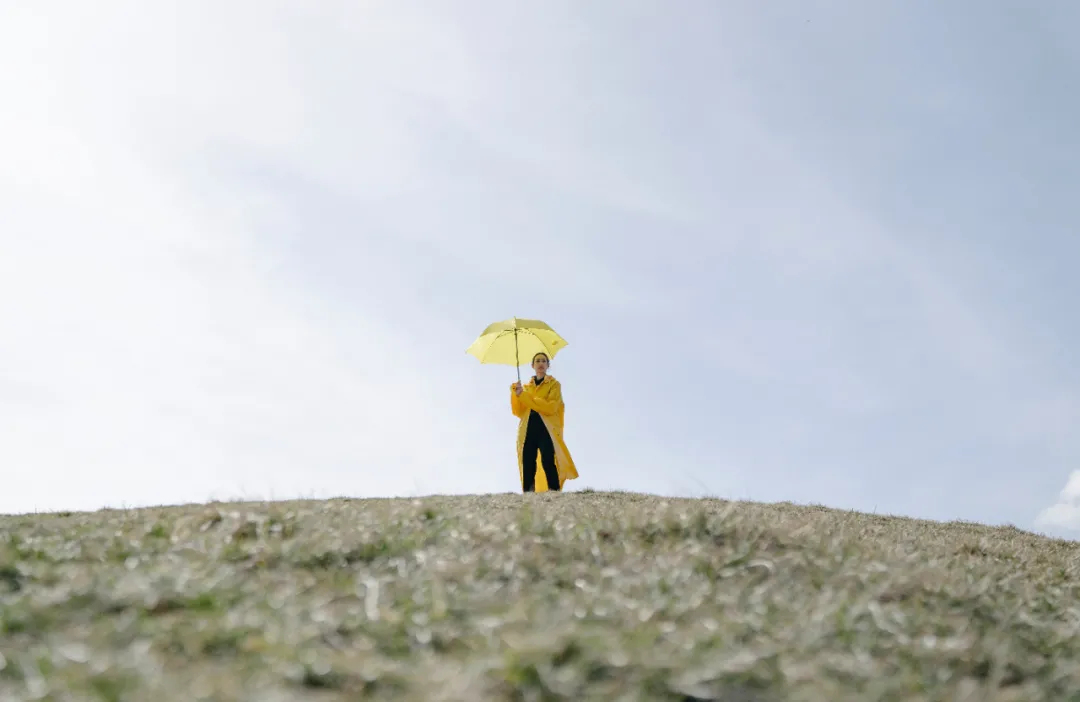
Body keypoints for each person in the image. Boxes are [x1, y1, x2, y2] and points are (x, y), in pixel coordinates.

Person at [510, 352, 579, 492]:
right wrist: (516, 394)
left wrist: (526, 398)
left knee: (548, 459)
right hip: (528, 427)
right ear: (532, 365)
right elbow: (518, 411)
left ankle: (554, 491)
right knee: (528, 461)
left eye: (543, 361)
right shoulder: (526, 387)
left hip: (546, 428)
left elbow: (551, 407)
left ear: (548, 365)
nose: (540, 363)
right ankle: (528, 493)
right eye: (537, 361)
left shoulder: (554, 385)